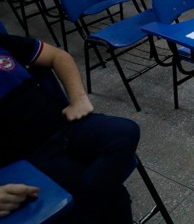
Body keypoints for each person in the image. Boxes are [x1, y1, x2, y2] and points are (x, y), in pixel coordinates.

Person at [0, 31, 140, 223]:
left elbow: (58, 56)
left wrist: (78, 99)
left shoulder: (3, 40)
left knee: (125, 131)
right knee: (116, 198)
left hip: (64, 126)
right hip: (29, 154)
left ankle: (81, 213)